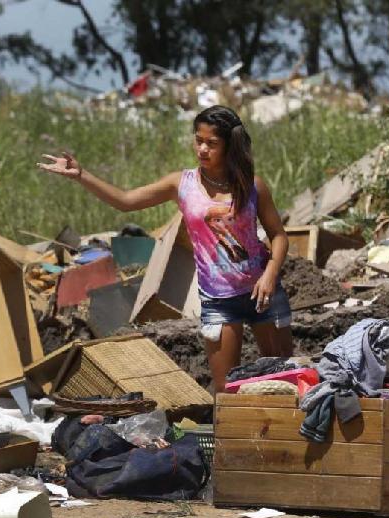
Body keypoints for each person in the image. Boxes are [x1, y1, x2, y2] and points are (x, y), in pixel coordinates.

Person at [37, 105, 293, 393]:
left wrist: (270, 274)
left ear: (229, 145)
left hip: (262, 293)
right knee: (227, 388)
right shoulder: (181, 184)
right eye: (198, 140)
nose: (202, 149)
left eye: (212, 143)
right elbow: (126, 201)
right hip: (219, 299)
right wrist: (81, 174)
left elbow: (279, 237)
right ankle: (236, 439)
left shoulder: (253, 186)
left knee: (282, 379)